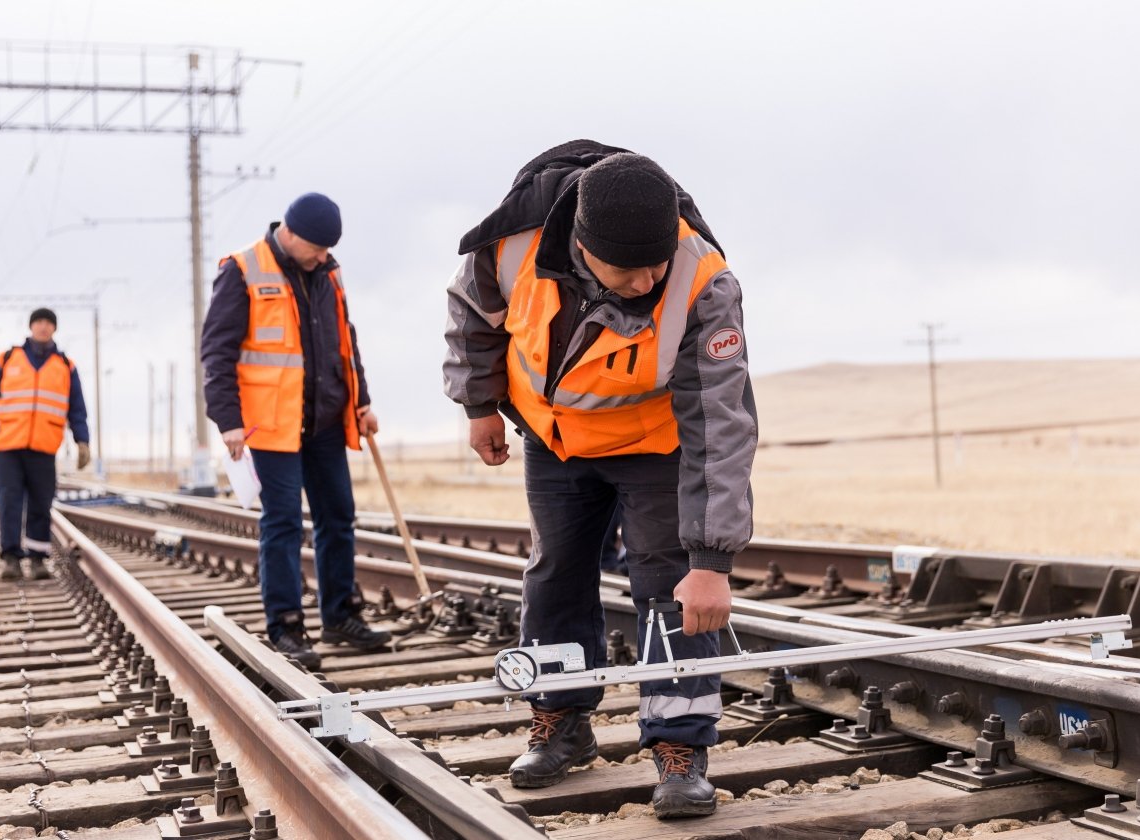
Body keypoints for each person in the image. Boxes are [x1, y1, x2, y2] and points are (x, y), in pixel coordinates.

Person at [444, 140, 757, 818]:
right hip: (554, 443)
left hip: (655, 446)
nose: (647, 282)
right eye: (629, 270)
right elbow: (472, 320)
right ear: (582, 246)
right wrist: (479, 406)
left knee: (667, 587)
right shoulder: (509, 247)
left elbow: (723, 422)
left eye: (656, 265)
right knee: (555, 576)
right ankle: (562, 722)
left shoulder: (704, 279)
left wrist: (711, 559)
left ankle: (680, 749)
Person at [201, 192, 391, 671]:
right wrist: (228, 420)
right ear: (291, 233)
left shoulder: (328, 272)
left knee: (338, 517)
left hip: (325, 420)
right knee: (283, 523)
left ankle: (340, 616)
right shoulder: (242, 269)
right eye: (318, 248)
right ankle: (285, 624)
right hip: (271, 427)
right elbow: (216, 353)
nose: (324, 257)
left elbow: (346, 341)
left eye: (329, 250)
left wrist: (361, 399)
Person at [0, 308, 90, 582]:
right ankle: (11, 559)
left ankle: (38, 559)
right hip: (8, 445)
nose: (43, 327)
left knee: (41, 502)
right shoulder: (7, 360)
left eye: (48, 323)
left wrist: (82, 440)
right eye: (39, 322)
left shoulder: (66, 366)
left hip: (44, 444)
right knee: (9, 502)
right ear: (31, 327)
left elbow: (77, 407)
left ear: (54, 329)